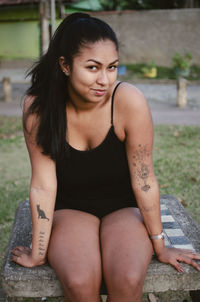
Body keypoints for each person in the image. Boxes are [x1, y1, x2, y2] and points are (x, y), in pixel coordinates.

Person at [11, 12, 200, 302]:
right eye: (92, 67)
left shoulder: (128, 101)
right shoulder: (39, 108)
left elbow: (144, 178)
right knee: (78, 281)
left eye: (112, 67)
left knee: (126, 280)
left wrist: (160, 245)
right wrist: (38, 253)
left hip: (123, 208)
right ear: (64, 65)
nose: (104, 79)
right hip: (70, 209)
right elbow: (43, 184)